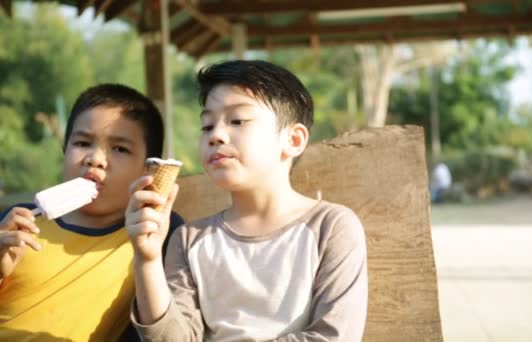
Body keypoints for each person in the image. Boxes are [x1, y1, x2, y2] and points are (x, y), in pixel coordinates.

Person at [126, 60, 368, 341]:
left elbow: (333, 337)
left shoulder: (331, 227)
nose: (216, 135)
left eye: (237, 120)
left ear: (293, 139)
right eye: (206, 126)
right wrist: (147, 259)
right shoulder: (188, 240)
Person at [0, 84, 184, 341]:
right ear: (64, 151)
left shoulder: (153, 232)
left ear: (147, 169)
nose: (95, 158)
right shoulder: (17, 223)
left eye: (120, 148)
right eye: (82, 143)